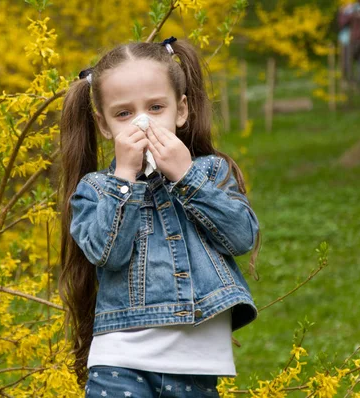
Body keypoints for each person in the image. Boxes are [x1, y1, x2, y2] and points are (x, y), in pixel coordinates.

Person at [59, 36, 260, 397]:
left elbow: (242, 236)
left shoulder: (210, 172)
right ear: (104, 125)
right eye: (124, 114)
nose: (141, 124)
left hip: (197, 365)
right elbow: (108, 253)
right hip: (121, 360)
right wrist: (125, 180)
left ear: (180, 111)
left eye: (155, 107)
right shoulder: (98, 188)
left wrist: (186, 177)